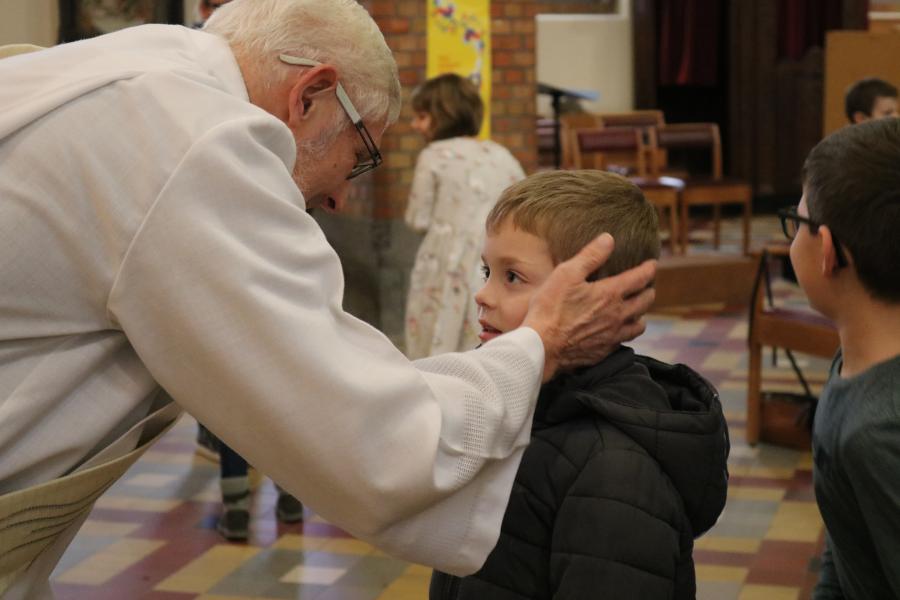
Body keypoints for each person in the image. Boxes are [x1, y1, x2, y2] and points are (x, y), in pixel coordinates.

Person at [0, 0, 657, 595]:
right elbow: (373, 439)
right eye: (362, 152)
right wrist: (540, 343)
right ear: (311, 95)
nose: (343, 196)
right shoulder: (197, 142)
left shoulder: (129, 68)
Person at [428, 170, 729, 599]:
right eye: (487, 270)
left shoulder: (616, 471)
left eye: (512, 276)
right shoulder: (513, 401)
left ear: (596, 300)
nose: (483, 295)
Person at [775, 118, 900, 599]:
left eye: (798, 222)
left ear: (828, 251)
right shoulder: (856, 358)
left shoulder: (880, 432)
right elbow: (850, 536)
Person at [404, 73, 525, 359]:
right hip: (494, 265)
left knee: (437, 332)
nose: (414, 125)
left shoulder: (434, 155)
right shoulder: (501, 153)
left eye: (421, 116)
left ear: (441, 115)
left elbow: (417, 218)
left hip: (444, 264)